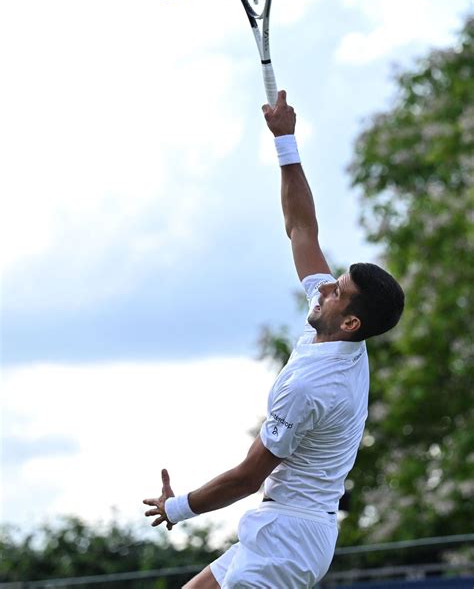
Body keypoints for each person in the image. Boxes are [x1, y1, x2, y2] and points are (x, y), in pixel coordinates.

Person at [143, 91, 405, 588]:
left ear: (350, 321)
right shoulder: (332, 323)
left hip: (289, 544)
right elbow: (301, 229)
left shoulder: (314, 386)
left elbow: (248, 476)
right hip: (277, 529)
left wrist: (179, 507)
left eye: (337, 290)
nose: (325, 285)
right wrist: (286, 141)